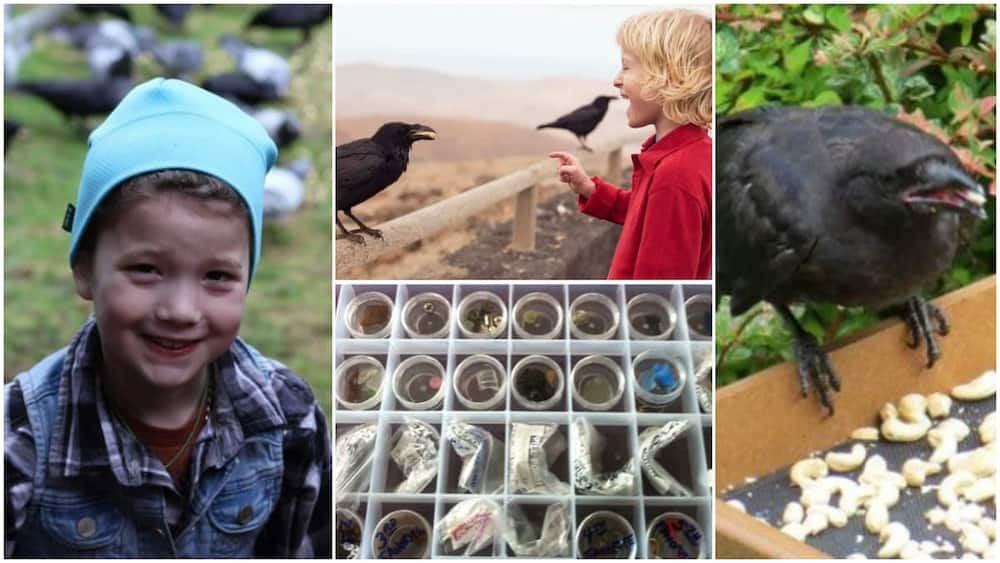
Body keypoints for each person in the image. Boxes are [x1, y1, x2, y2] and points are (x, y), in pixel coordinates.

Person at [4, 78, 331, 558]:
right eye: (146, 269)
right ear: (84, 269)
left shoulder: (289, 420)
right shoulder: (19, 440)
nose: (180, 311)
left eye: (216, 275)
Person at [550, 9, 712, 280]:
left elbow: (657, 296)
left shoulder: (675, 175)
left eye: (626, 67)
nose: (616, 79)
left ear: (670, 78)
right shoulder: (687, 154)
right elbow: (651, 217)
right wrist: (590, 189)